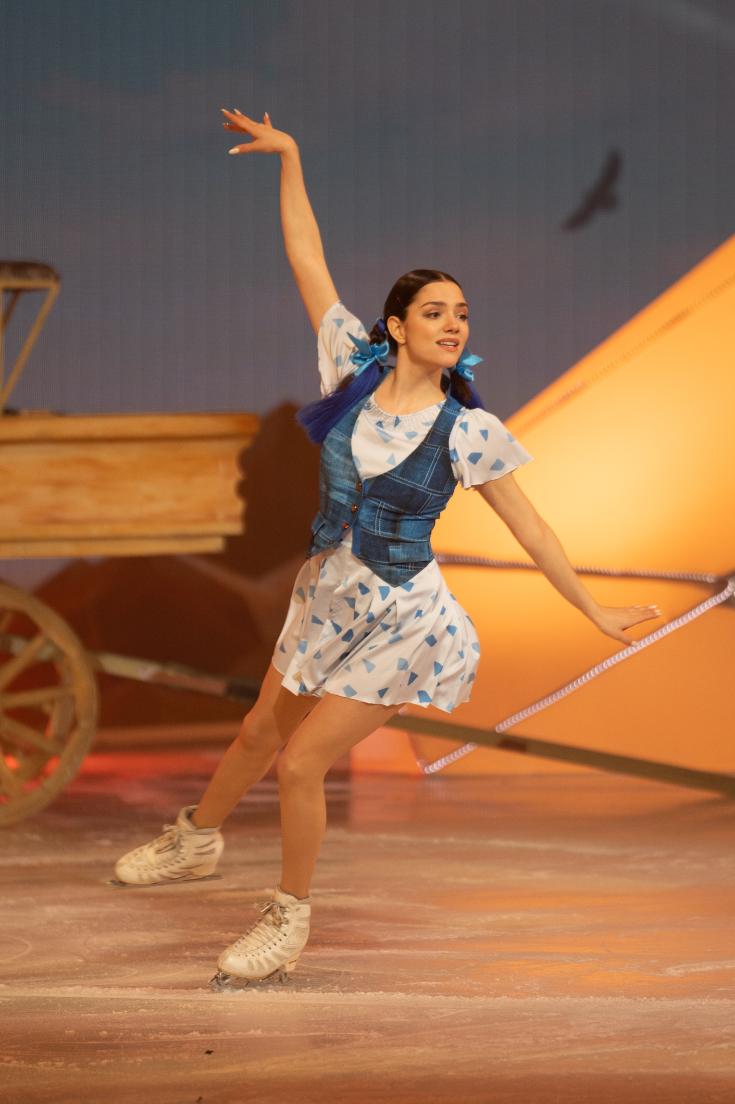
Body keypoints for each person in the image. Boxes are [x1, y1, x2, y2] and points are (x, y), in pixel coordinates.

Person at [112, 109, 663, 991]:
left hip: (405, 620)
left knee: (301, 762)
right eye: (435, 312)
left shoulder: (467, 431)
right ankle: (196, 838)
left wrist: (592, 606)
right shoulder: (349, 370)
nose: (453, 323)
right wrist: (290, 156)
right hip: (327, 595)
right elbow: (307, 258)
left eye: (462, 314)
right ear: (397, 327)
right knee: (257, 733)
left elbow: (530, 526)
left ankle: (288, 919)